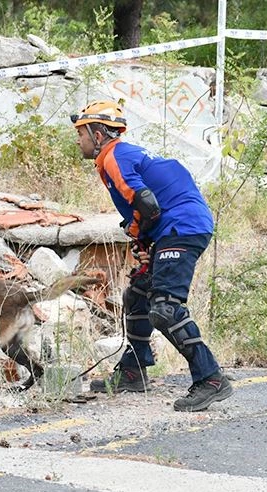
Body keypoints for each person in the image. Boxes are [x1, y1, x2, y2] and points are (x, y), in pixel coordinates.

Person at [71, 100, 233, 412]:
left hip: (181, 227)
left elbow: (147, 204)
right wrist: (144, 241)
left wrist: (137, 233)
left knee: (165, 309)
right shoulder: (122, 155)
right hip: (174, 226)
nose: (79, 139)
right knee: (138, 295)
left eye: (82, 133)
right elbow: (149, 204)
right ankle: (133, 371)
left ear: (99, 134)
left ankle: (211, 378)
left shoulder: (113, 155)